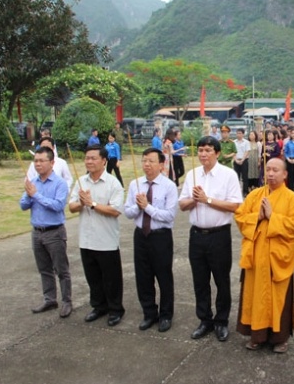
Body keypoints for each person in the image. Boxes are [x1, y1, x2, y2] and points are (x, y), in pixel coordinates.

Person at [234, 158, 294, 353]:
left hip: (278, 259)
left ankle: (279, 339)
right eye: (268, 170)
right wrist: (256, 217)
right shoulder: (255, 195)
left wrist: (273, 216)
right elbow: (240, 216)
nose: (271, 174)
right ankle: (256, 336)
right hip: (256, 258)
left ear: (285, 174)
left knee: (278, 297)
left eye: (275, 170)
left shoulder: (292, 199)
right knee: (255, 295)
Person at [178, 136, 243, 342]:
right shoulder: (193, 175)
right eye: (200, 150)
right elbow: (182, 204)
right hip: (197, 234)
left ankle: (221, 320)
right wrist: (194, 200)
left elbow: (234, 206)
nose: (203, 154)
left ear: (217, 152)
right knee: (200, 280)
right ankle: (205, 319)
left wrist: (206, 199)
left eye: (207, 150)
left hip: (219, 235)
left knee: (221, 280)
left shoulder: (228, 175)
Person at [69, 145, 126, 327]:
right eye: (87, 158)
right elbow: (71, 207)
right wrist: (81, 203)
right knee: (92, 277)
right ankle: (99, 306)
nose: (89, 161)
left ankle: (115, 309)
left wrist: (92, 203)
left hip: (106, 240)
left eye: (93, 158)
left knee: (111, 278)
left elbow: (115, 210)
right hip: (86, 239)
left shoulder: (112, 183)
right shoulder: (81, 182)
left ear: (104, 161)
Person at [124, 148, 178, 332]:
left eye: (151, 161)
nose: (146, 164)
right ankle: (149, 313)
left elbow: (169, 216)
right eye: (144, 160)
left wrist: (147, 207)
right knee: (143, 277)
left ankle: (165, 315)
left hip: (160, 237)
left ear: (161, 164)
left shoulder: (169, 186)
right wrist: (138, 208)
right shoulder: (135, 185)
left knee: (163, 277)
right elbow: (127, 212)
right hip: (141, 235)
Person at [20, 146, 72, 318]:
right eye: (36, 161)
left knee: (61, 269)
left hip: (54, 232)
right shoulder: (33, 182)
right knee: (44, 269)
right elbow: (23, 206)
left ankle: (66, 301)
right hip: (37, 231)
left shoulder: (59, 184)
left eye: (42, 161)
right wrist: (28, 195)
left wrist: (36, 196)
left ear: (52, 162)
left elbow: (57, 206)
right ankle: (50, 299)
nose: (38, 164)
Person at [233, 128, 250, 196]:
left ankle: (245, 192)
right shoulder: (234, 142)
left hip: (244, 161)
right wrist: (236, 160)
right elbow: (233, 152)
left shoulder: (246, 142)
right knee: (236, 177)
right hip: (236, 161)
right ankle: (236, 192)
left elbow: (247, 151)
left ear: (243, 134)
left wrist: (242, 160)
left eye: (240, 133)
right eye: (237, 133)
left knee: (245, 177)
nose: (238, 134)